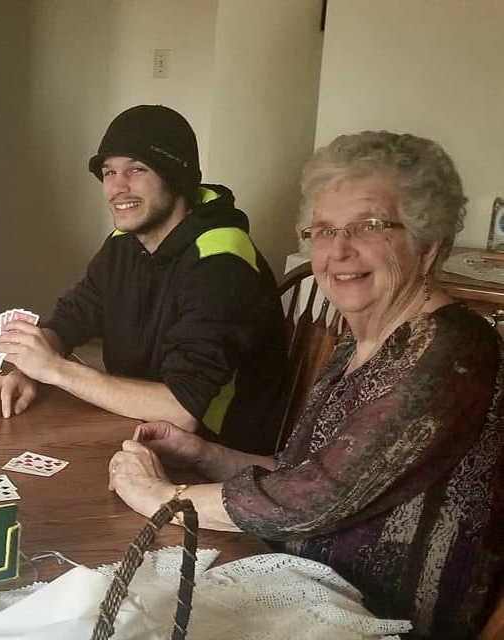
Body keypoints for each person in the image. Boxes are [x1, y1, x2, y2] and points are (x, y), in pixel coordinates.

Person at [108, 131, 504, 640]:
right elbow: (303, 473)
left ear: (427, 245)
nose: (337, 250)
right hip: (299, 581)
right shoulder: (360, 340)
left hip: (376, 618)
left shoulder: (450, 351)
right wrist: (204, 452)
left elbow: (313, 499)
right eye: (321, 230)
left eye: (368, 226)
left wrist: (161, 495)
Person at [0, 105, 287, 454]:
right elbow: (71, 319)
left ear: (177, 177)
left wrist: (56, 370)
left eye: (136, 169)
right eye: (109, 172)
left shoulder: (222, 262)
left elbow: (181, 410)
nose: (116, 188)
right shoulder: (125, 241)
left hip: (215, 456)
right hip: (136, 426)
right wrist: (25, 371)